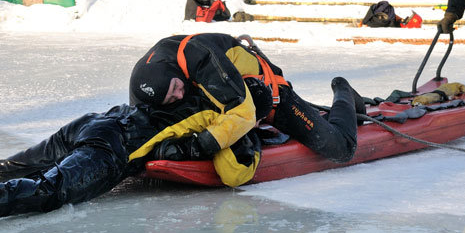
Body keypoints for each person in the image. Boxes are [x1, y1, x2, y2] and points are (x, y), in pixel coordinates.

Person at [0, 81, 273, 230]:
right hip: (113, 146)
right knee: (54, 188)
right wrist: (248, 136)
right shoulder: (221, 119)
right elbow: (228, 164)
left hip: (94, 122)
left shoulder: (194, 90)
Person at [129, 33, 364, 166]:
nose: (179, 95)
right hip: (221, 101)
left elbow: (243, 114)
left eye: (178, 88)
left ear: (174, 71)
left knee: (341, 148)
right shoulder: (142, 84)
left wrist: (196, 147)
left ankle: (343, 90)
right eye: (171, 98)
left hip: (267, 95)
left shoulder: (198, 57)